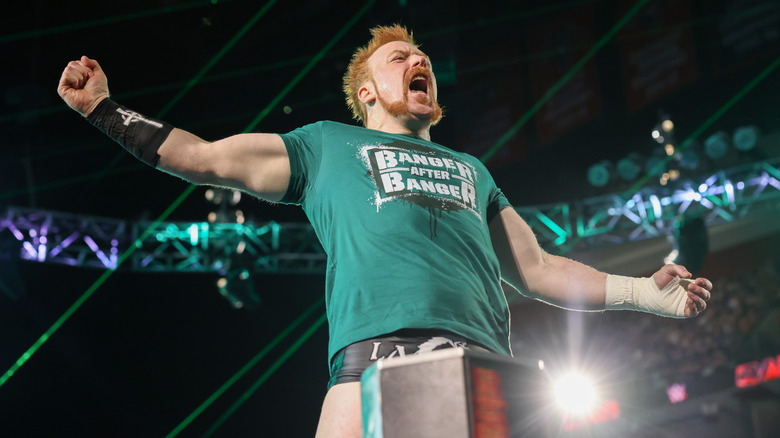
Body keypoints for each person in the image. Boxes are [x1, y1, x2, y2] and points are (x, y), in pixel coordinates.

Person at [58, 24, 713, 438]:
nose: (417, 60)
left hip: (480, 367)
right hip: (370, 367)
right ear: (366, 92)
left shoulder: (472, 169)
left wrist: (649, 293)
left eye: (422, 56)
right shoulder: (321, 146)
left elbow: (538, 269)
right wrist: (104, 110)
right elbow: (199, 157)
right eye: (400, 57)